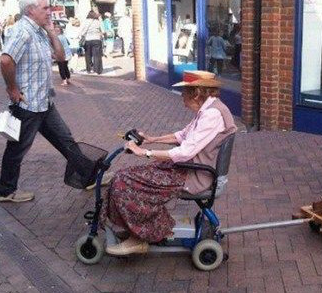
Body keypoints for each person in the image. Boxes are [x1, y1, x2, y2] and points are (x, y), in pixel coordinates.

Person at [101, 71, 237, 255]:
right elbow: (181, 136)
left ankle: (140, 238)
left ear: (196, 93)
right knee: (125, 176)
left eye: (184, 91)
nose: (182, 95)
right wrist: (150, 139)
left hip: (193, 175)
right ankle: (136, 229)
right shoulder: (208, 109)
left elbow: (185, 151)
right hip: (188, 168)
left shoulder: (212, 114)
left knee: (125, 181)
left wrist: (145, 152)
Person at [0, 0, 76, 203]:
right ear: (31, 10)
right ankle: (5, 191)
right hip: (28, 104)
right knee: (17, 149)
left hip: (44, 102)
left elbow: (60, 57)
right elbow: (6, 60)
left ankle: (87, 175)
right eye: (45, 8)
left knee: (66, 141)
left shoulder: (40, 31)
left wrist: (52, 32)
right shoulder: (22, 30)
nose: (50, 12)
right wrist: (12, 88)